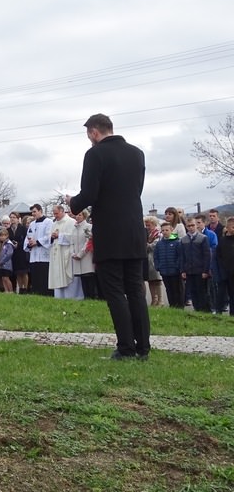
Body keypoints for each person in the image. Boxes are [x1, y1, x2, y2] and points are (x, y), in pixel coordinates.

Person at [67, 113, 150, 360]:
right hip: (134, 228)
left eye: (88, 135)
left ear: (94, 132)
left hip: (110, 231)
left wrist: (73, 202)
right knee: (135, 289)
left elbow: (90, 194)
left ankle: (125, 348)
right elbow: (136, 189)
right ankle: (143, 347)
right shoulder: (137, 153)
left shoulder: (95, 154)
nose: (89, 140)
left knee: (114, 290)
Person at [48, 205, 81, 299]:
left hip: (66, 253)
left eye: (56, 213)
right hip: (56, 253)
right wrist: (52, 236)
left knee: (68, 275)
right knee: (57, 275)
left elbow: (74, 237)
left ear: (62, 211)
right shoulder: (54, 224)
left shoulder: (71, 222)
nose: (55, 216)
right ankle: (59, 297)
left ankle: (72, 297)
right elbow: (49, 237)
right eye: (54, 214)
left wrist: (60, 235)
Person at [180, 218, 211, 312]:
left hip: (200, 270)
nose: (191, 228)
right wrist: (183, 270)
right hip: (189, 270)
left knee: (202, 291)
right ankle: (197, 309)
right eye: (189, 226)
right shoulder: (183, 240)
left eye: (192, 225)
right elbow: (182, 256)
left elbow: (207, 255)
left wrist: (205, 270)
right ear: (186, 227)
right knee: (192, 291)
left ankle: (205, 310)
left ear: (196, 225)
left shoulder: (203, 238)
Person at [154, 221, 184, 308]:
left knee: (177, 290)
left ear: (171, 230)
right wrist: (158, 266)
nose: (164, 232)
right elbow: (156, 257)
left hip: (175, 271)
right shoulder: (159, 244)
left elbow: (180, 256)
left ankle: (180, 307)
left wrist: (177, 266)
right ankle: (172, 306)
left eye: (167, 230)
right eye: (163, 230)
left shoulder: (177, 242)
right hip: (164, 271)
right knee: (169, 290)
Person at [24, 204, 53, 296]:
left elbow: (49, 236)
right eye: (32, 212)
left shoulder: (48, 222)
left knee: (44, 277)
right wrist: (29, 244)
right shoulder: (32, 224)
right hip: (34, 255)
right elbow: (28, 237)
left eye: (34, 211)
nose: (33, 214)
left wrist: (37, 242)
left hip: (44, 255)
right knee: (35, 276)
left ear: (40, 211)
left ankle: (46, 294)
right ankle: (36, 293)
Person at [70, 209, 97, 299]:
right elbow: (72, 243)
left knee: (89, 278)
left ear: (84, 216)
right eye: (76, 215)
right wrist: (73, 253)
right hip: (76, 257)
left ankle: (92, 298)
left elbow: (88, 242)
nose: (77, 217)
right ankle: (86, 298)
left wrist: (80, 254)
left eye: (80, 215)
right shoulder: (74, 229)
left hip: (86, 257)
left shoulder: (88, 227)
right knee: (83, 280)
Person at [216, 216, 234, 316]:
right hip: (225, 272)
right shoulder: (222, 241)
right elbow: (218, 256)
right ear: (227, 227)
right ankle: (218, 311)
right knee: (222, 293)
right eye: (233, 227)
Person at [143, 215, 163, 306]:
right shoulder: (147, 234)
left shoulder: (158, 234)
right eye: (146, 225)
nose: (147, 227)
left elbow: (154, 246)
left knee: (157, 280)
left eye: (149, 225)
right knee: (150, 280)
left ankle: (160, 299)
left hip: (155, 258)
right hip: (147, 259)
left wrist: (145, 244)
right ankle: (153, 299)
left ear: (154, 224)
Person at [0, 228, 15, 292]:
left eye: (4, 235)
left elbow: (9, 254)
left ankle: (11, 291)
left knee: (6, 278)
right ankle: (6, 291)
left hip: (6, 264)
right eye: (0, 236)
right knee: (3, 278)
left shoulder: (9, 244)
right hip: (0, 265)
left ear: (7, 236)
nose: (2, 237)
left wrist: (1, 261)